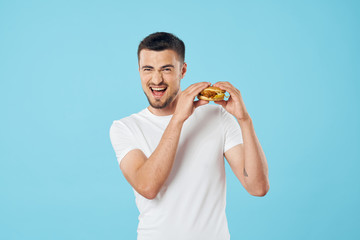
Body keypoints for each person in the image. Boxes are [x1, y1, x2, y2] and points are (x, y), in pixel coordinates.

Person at [109, 32, 269, 240]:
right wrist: (178, 120)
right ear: (139, 70)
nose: (156, 79)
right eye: (148, 69)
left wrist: (244, 120)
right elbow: (147, 187)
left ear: (182, 71)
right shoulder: (125, 128)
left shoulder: (217, 116)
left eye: (166, 69)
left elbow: (258, 187)